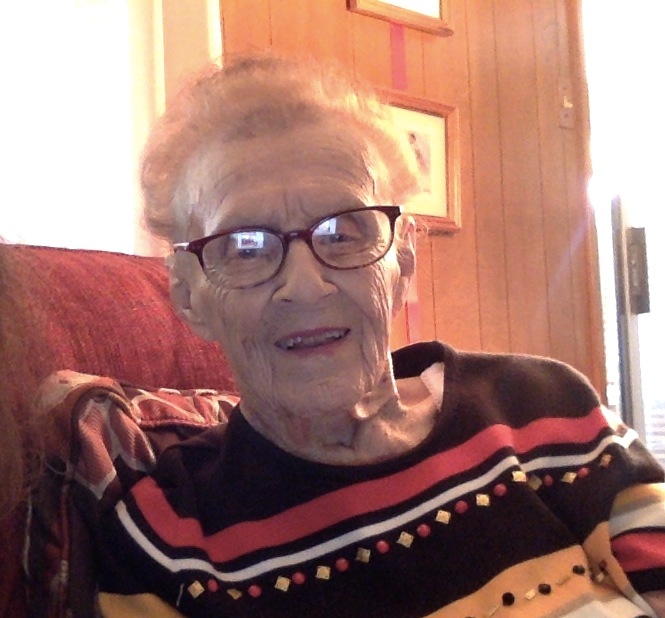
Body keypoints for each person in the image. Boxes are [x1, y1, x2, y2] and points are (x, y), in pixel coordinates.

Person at [95, 54, 665, 618]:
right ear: (187, 294)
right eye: (245, 247)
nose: (305, 286)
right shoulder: (166, 537)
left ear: (404, 261)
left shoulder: (544, 407)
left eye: (343, 232)